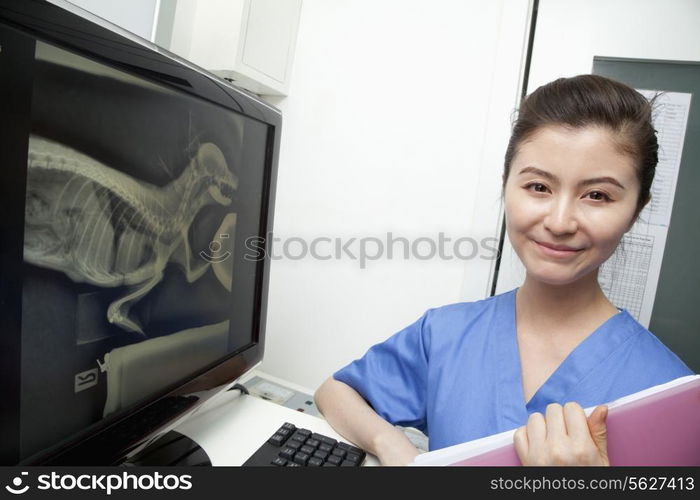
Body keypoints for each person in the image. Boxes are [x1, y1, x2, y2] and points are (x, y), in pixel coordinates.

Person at [314, 74, 694, 466]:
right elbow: (336, 392)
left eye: (597, 195)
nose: (560, 221)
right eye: (538, 187)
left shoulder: (671, 394)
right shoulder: (446, 335)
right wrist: (398, 449)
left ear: (636, 211)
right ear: (506, 184)